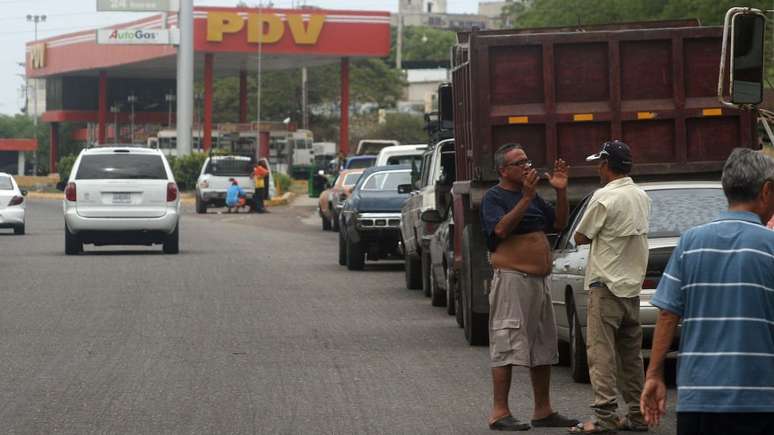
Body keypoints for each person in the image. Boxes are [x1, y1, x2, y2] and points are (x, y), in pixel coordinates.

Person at [641, 148, 774, 435]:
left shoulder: (690, 242)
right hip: (759, 400)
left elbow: (667, 314)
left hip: (698, 399)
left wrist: (654, 374)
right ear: (766, 191)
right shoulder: (770, 246)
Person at [480, 143, 578, 431]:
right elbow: (499, 230)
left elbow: (559, 223)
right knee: (506, 343)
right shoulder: (495, 198)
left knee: (542, 345)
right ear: (503, 170)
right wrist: (525, 198)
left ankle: (543, 410)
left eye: (527, 160)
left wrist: (560, 190)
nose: (526, 166)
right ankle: (499, 412)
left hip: (539, 282)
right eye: (519, 163)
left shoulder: (533, 197)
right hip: (513, 279)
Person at [570, 140, 651, 434]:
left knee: (601, 354)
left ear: (606, 165)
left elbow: (580, 237)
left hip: (605, 287)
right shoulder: (641, 196)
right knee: (631, 356)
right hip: (631, 288)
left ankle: (604, 418)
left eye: (599, 163)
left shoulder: (604, 197)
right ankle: (638, 416)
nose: (597, 169)